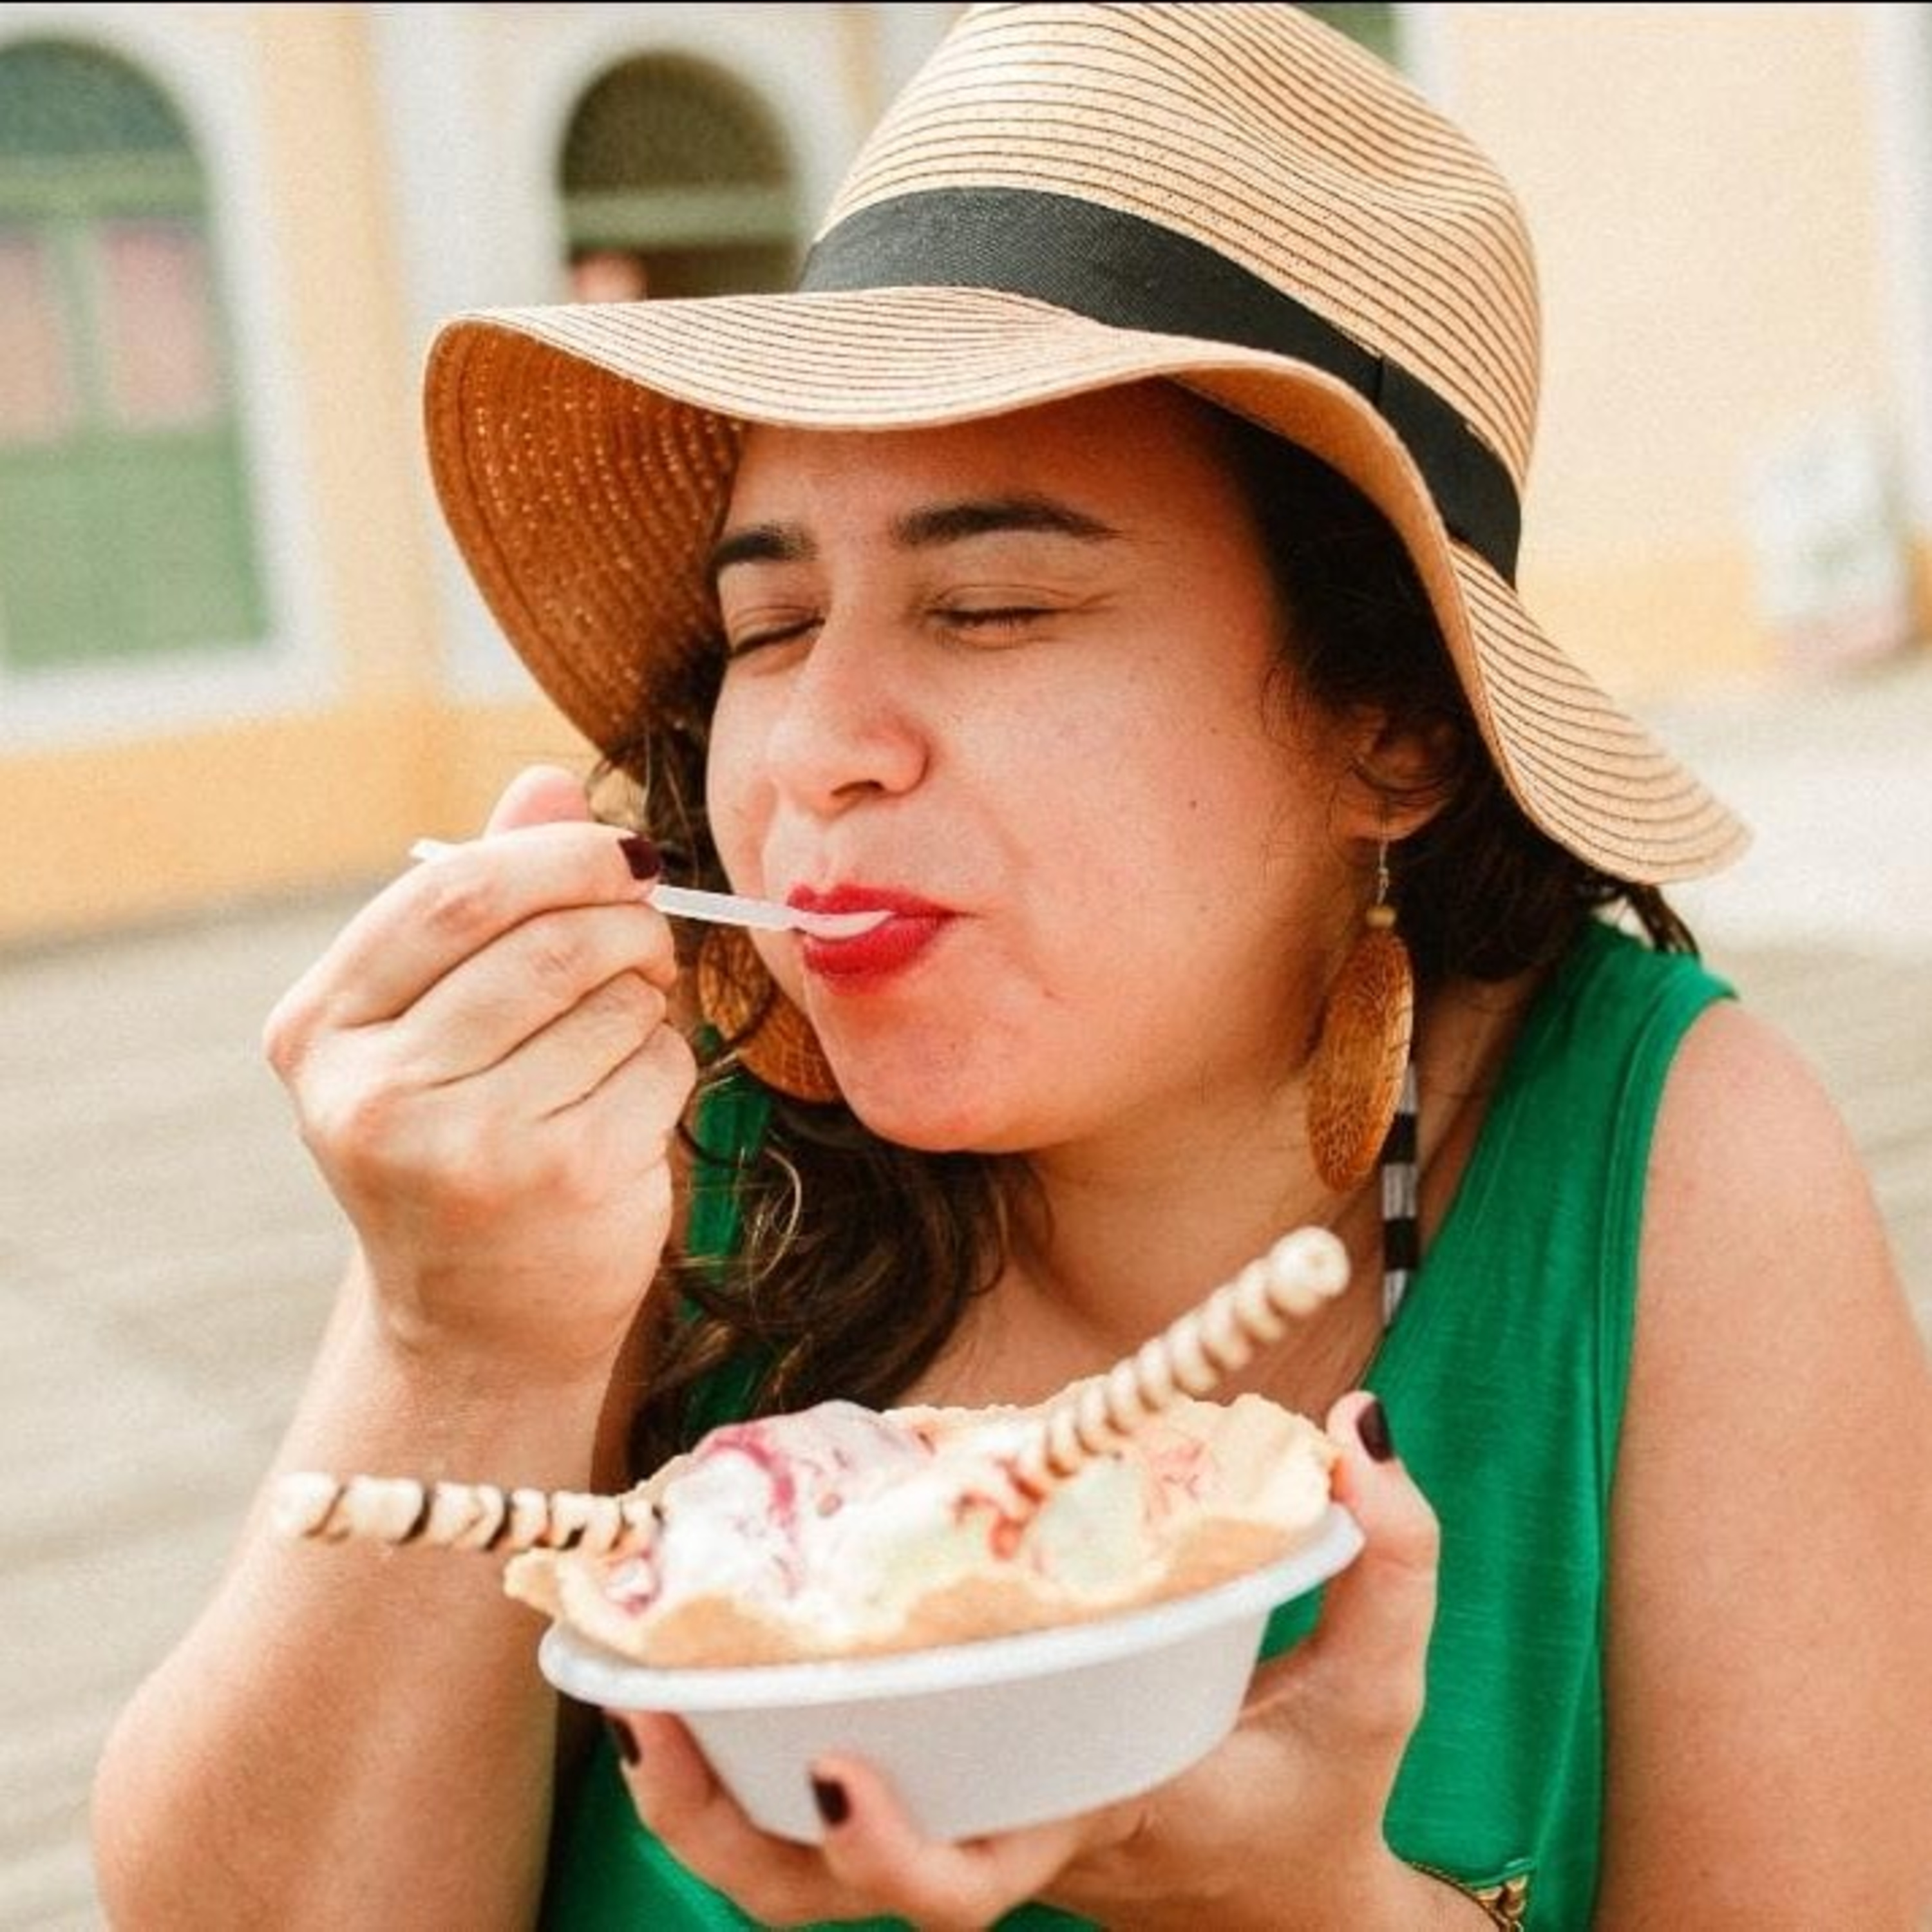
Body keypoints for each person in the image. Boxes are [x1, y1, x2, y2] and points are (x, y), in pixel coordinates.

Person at [94, 6, 1932, 1927]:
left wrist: (1309, 1901)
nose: (816, 750)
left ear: (1392, 727)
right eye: (770, 625)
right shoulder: (625, 1138)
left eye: (990, 606)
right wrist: (459, 1345)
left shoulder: (1670, 1170)